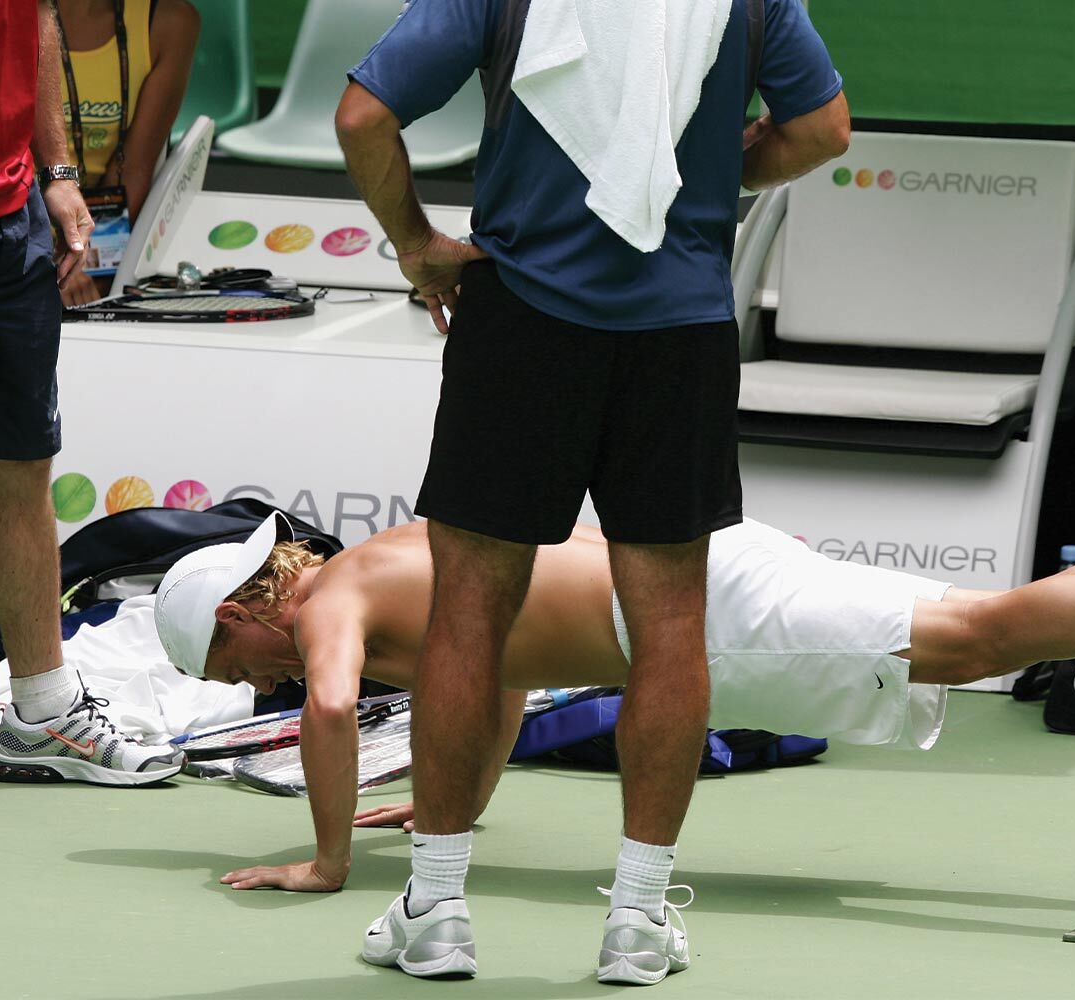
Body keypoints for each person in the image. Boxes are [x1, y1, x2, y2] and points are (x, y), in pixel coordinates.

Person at [152, 502, 1075, 915]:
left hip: (704, 614)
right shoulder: (404, 560)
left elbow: (329, 709)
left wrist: (327, 859)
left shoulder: (335, 601)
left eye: (228, 661)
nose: (247, 682)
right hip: (707, 575)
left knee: (967, 641)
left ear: (251, 605)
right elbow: (500, 689)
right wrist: (449, 808)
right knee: (971, 620)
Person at [332, 0, 849, 982]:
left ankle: (434, 908)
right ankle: (639, 920)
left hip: (519, 324)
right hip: (680, 336)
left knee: (468, 616)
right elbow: (823, 129)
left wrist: (415, 243)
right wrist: (716, 167)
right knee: (670, 627)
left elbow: (364, 116)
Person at [0, 0, 185, 786]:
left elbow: (31, 14)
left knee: (19, 464)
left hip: (12, 213)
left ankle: (41, 712)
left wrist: (58, 170)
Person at [51, 0, 200, 306]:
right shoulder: (8, 12)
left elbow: (134, 168)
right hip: (16, 224)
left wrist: (90, 266)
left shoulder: (170, 21)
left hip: (95, 234)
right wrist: (43, 260)